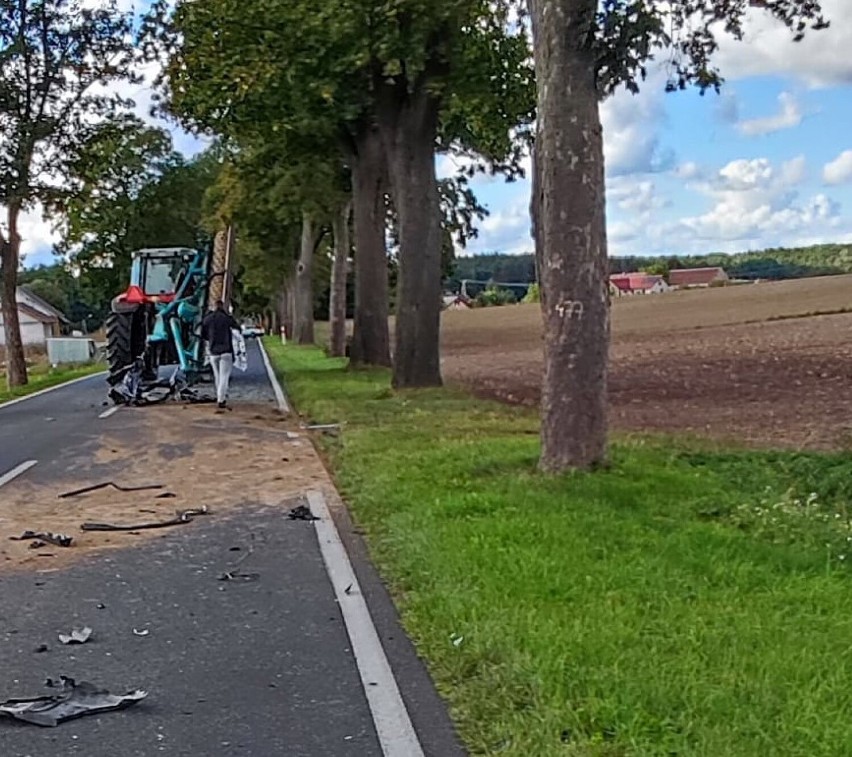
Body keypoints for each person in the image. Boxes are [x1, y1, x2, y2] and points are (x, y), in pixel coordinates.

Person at [201, 300, 240, 409]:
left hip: (213, 352)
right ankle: (221, 398)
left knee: (217, 376)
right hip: (226, 351)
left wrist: (210, 339)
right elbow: (237, 327)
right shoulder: (226, 318)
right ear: (222, 306)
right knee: (224, 376)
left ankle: (220, 395)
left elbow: (203, 334)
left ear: (214, 306)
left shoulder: (208, 319)